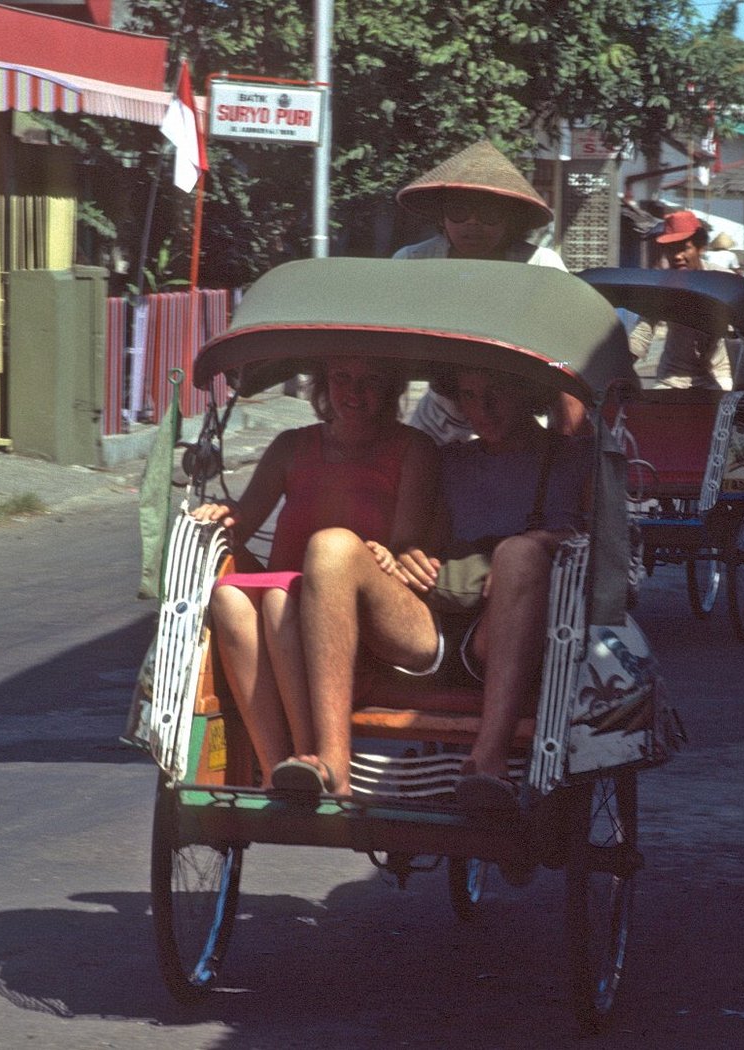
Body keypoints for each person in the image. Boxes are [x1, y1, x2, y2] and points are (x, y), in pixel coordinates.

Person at [289, 367, 590, 806]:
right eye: (469, 395)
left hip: (508, 634)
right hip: (430, 628)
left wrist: (546, 541)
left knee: (518, 554)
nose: (482, 410)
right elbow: (414, 541)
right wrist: (404, 555)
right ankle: (334, 762)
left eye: (495, 393)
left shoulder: (575, 459)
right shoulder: (448, 460)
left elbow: (607, 549)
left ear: (528, 391)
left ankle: (487, 761)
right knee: (330, 547)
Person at [190, 356, 438, 791]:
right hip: (286, 614)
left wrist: (386, 555)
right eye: (342, 378)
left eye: (370, 380)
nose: (354, 393)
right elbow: (241, 522)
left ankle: (319, 758)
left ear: (392, 389)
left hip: (367, 621)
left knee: (312, 564)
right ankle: (276, 771)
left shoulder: (413, 448)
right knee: (230, 595)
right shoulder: (291, 446)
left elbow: (406, 548)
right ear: (323, 383)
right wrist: (221, 515)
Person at [391, 140, 583, 440]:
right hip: (440, 416)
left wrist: (554, 392)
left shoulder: (541, 265)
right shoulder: (414, 262)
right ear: (441, 216)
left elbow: (569, 352)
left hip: (520, 416)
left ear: (510, 218)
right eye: (458, 212)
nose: (473, 223)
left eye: (489, 213)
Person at [631, 210, 735, 391]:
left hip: (718, 375)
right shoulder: (662, 286)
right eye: (671, 249)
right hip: (672, 378)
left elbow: (740, 336)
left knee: (729, 402)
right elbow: (642, 333)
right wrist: (619, 368)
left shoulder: (724, 281)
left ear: (700, 248)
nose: (677, 256)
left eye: (684, 248)